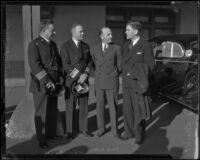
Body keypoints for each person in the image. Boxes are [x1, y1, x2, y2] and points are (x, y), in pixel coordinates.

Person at [28, 19, 63, 149]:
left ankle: (51, 134)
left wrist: (59, 80)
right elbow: (35, 66)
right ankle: (42, 140)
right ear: (43, 30)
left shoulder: (53, 44)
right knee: (41, 112)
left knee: (51, 110)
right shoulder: (34, 44)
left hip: (54, 83)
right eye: (51, 29)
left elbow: (57, 63)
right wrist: (47, 82)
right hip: (41, 84)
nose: (54, 31)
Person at [121, 21, 154, 144]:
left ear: (135, 31)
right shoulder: (125, 45)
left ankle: (139, 135)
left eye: (128, 30)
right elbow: (123, 64)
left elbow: (151, 65)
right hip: (126, 83)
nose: (125, 32)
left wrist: (134, 72)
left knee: (139, 109)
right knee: (127, 109)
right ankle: (128, 132)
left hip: (138, 83)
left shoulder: (145, 45)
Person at [60, 23, 93, 139]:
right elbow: (65, 64)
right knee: (70, 106)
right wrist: (79, 75)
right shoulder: (65, 46)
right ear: (73, 32)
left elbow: (89, 62)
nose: (83, 33)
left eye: (83, 31)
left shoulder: (86, 46)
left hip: (84, 81)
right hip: (71, 81)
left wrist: (86, 74)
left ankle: (84, 128)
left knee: (83, 105)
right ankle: (69, 131)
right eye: (81, 32)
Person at [90, 27, 121, 138]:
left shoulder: (116, 48)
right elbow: (92, 64)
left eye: (111, 34)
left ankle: (114, 131)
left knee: (113, 107)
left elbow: (120, 65)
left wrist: (115, 74)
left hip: (112, 81)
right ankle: (101, 129)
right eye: (108, 34)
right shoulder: (94, 49)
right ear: (102, 36)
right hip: (99, 82)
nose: (111, 36)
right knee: (100, 107)